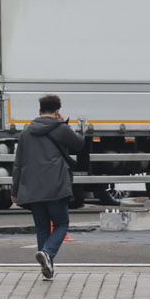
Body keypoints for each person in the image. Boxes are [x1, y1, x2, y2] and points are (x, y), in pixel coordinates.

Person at [16, 93, 86, 280]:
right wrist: (66, 125)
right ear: (57, 112)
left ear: (39, 112)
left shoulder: (26, 132)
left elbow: (18, 163)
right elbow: (79, 144)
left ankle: (47, 266)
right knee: (62, 223)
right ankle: (47, 253)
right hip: (55, 185)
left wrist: (15, 191)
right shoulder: (61, 129)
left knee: (42, 228)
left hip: (32, 187)